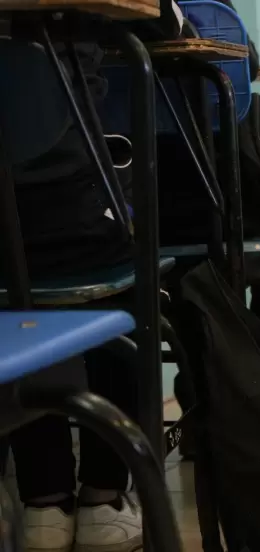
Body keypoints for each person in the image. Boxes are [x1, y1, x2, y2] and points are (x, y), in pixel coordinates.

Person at [0, 38, 144, 552]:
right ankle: (103, 500)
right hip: (71, 211)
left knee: (19, 298)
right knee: (129, 283)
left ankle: (44, 505)